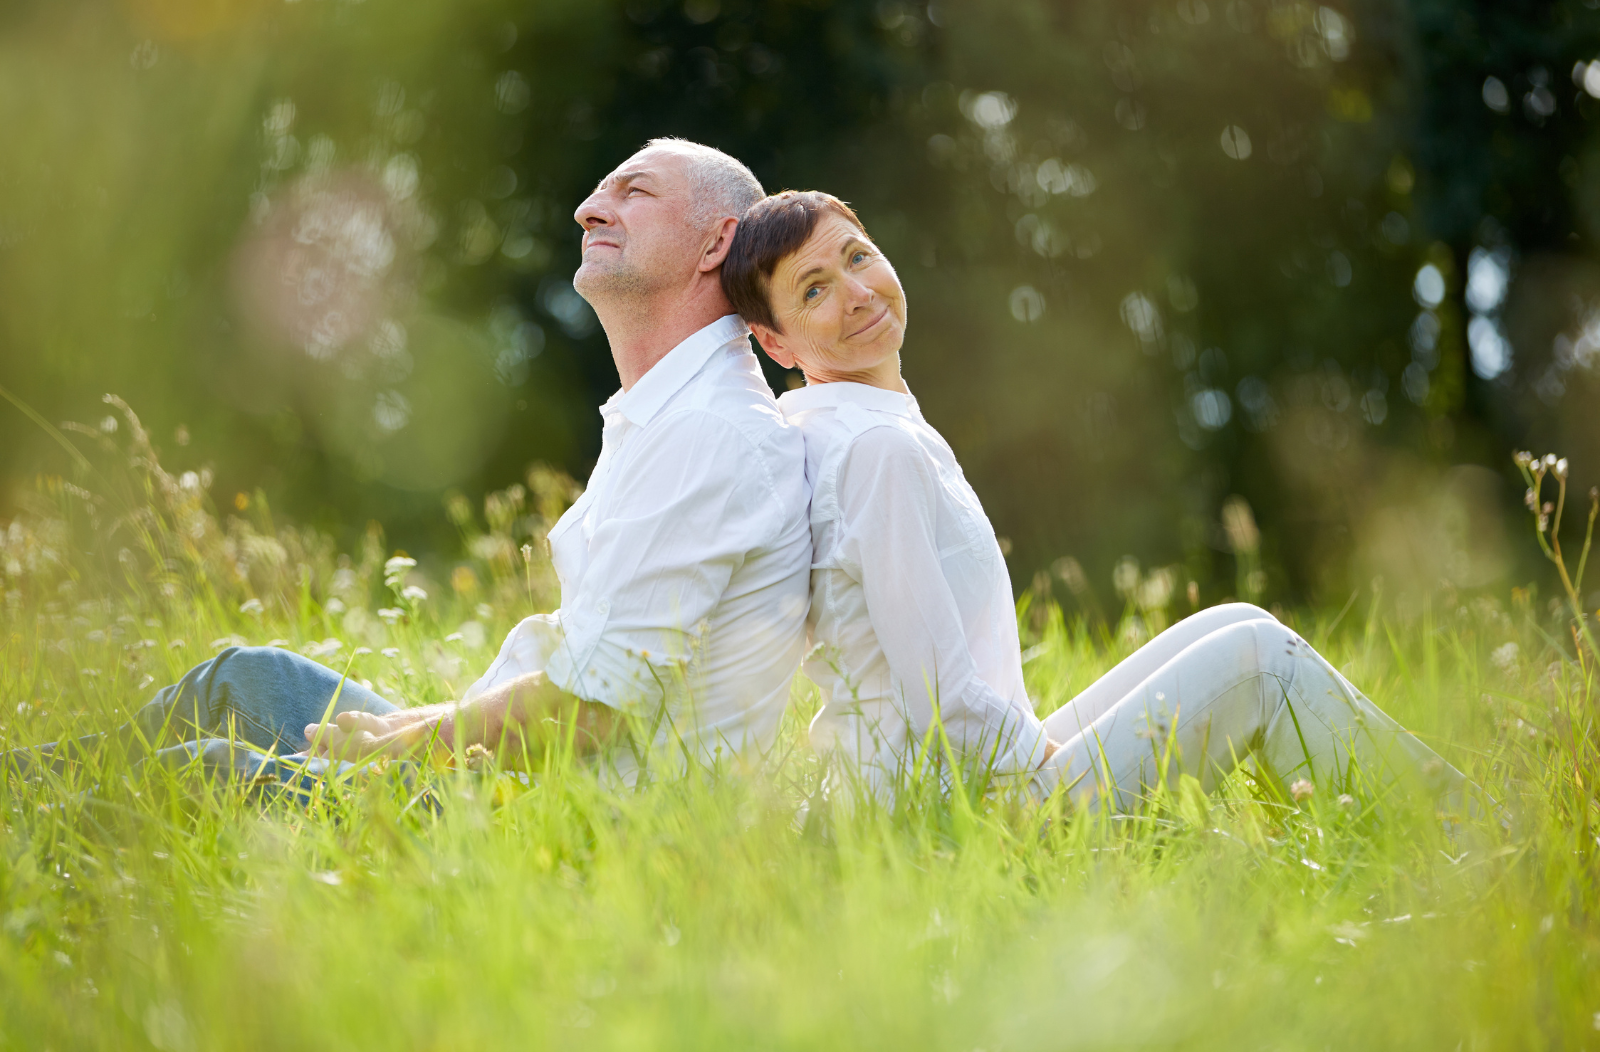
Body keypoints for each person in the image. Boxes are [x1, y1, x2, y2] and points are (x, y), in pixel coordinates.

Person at [8, 140, 812, 789]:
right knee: (247, 678)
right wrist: (408, 731)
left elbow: (593, 711)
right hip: (507, 774)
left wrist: (399, 747)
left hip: (570, 818)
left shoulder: (716, 435)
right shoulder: (664, 416)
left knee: (199, 774)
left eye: (634, 192)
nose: (589, 207)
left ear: (718, 242)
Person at [720, 189, 1469, 812]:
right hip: (962, 815)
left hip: (962, 782)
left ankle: (1345, 815)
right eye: (813, 290)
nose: (856, 293)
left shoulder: (860, 429)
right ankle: (1474, 840)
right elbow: (944, 707)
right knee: (1258, 661)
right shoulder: (874, 453)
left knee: (1237, 620)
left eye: (857, 256)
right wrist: (1064, 766)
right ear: (776, 344)